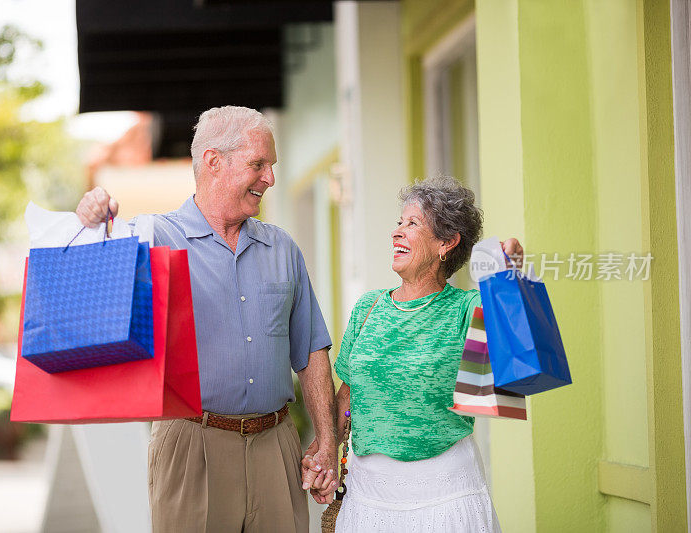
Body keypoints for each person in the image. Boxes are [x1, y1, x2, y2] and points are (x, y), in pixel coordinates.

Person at [76, 106, 339, 533]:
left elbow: (310, 350)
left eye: (272, 166)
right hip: (191, 445)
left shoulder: (283, 249)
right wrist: (95, 220)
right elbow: (103, 259)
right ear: (214, 162)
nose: (270, 178)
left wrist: (326, 441)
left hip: (276, 446)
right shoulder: (158, 237)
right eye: (259, 164)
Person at [304, 176, 522, 532]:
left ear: (447, 243)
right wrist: (326, 451)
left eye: (412, 224)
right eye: (398, 222)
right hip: (367, 494)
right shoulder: (368, 307)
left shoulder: (467, 308)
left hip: (445, 494)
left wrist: (510, 266)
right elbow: (348, 396)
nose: (397, 232)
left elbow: (513, 354)